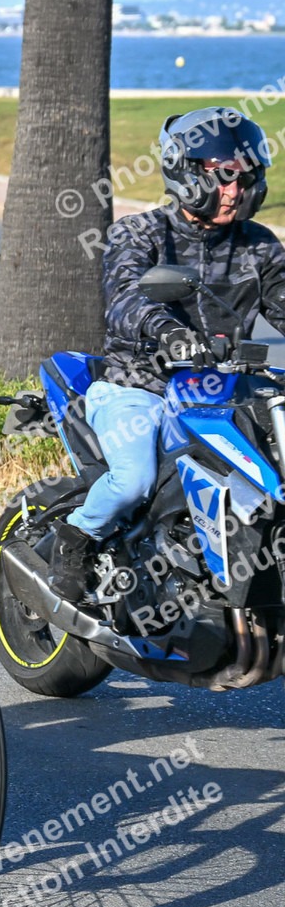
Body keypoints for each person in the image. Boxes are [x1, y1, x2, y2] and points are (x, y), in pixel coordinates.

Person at [50, 106, 285, 602]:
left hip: (222, 394)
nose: (234, 190)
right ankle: (76, 538)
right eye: (223, 176)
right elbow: (125, 300)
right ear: (185, 172)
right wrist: (168, 332)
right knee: (133, 481)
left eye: (245, 177)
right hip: (140, 389)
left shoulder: (259, 246)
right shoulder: (140, 233)